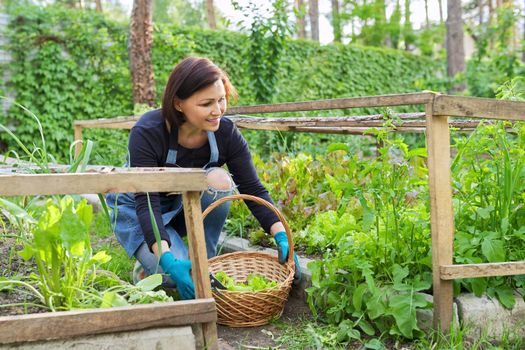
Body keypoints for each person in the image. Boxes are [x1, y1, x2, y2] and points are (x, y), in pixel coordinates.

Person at [106, 57, 300, 300]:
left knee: (219, 180)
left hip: (182, 207)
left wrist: (281, 235)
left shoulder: (226, 133)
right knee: (168, 274)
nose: (217, 110)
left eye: (221, 99)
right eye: (207, 103)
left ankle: (204, 264)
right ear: (178, 104)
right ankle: (152, 265)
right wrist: (167, 260)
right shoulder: (149, 131)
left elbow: (253, 189)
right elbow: (146, 202)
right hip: (140, 210)